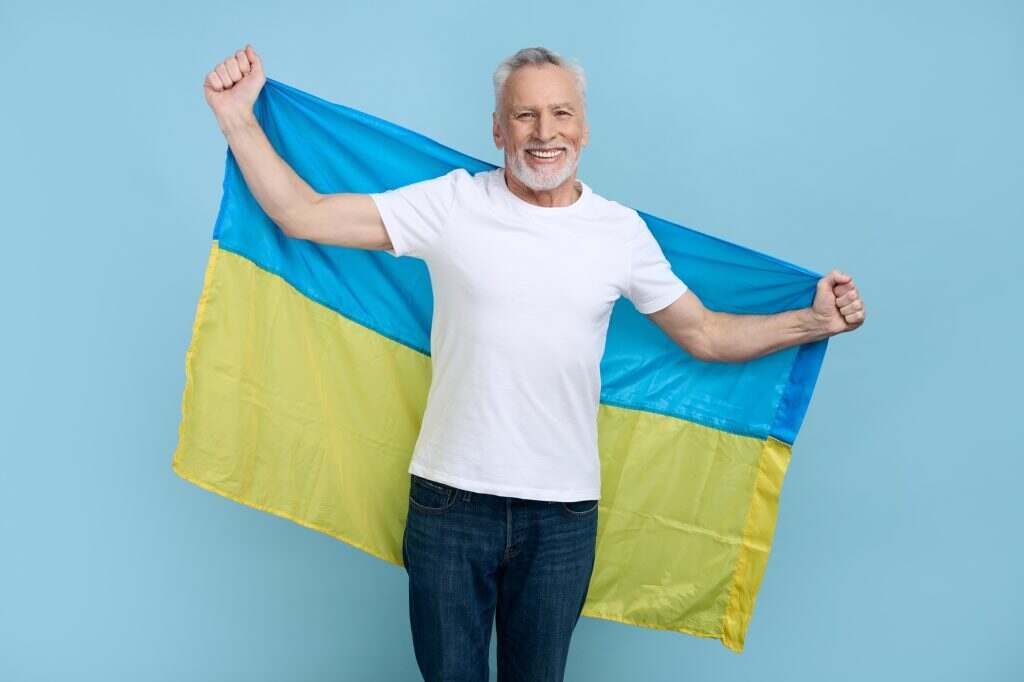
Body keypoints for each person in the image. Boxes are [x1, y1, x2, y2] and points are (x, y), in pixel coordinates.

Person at [203, 44, 866, 682]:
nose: (543, 132)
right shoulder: (452, 204)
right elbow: (303, 215)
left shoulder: (620, 234)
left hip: (563, 516)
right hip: (449, 503)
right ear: (498, 128)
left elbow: (705, 334)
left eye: (560, 113)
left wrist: (815, 322)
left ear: (583, 127)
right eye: (524, 115)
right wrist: (237, 118)